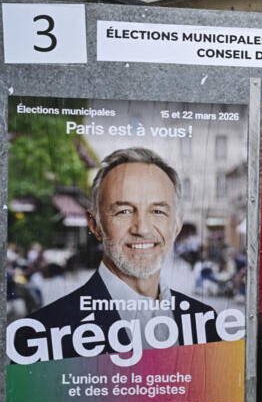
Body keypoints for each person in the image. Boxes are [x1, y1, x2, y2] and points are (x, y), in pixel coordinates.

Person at [7, 147, 220, 362]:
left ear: (176, 226)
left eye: (158, 211)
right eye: (124, 211)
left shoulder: (206, 323)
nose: (142, 228)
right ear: (95, 225)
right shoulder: (42, 335)